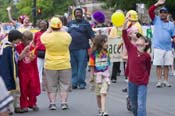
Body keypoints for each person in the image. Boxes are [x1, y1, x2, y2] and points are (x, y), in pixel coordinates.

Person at [41, 17, 72, 110]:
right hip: (65, 63)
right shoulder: (67, 36)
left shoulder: (46, 36)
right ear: (61, 26)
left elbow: (42, 37)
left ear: (51, 26)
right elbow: (67, 36)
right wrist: (61, 29)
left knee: (51, 84)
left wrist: (49, 30)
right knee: (64, 84)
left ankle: (52, 103)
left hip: (50, 64)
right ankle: (64, 103)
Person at [122, 19, 151, 116]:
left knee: (141, 104)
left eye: (141, 38)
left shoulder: (147, 56)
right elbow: (125, 37)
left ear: (146, 44)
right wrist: (124, 26)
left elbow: (148, 68)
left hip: (142, 82)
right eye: (138, 38)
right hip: (132, 82)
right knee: (134, 104)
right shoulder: (131, 49)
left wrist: (146, 79)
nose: (138, 39)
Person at [149, 0, 175, 87]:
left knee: (167, 65)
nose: (162, 14)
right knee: (159, 65)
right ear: (159, 14)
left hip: (168, 47)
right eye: (161, 12)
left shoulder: (171, 24)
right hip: (158, 47)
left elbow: (173, 36)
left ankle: (166, 81)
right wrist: (157, 4)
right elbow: (150, 11)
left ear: (167, 14)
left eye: (164, 12)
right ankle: (159, 81)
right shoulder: (156, 20)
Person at [67, 8, 94, 89]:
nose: (78, 14)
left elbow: (92, 36)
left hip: (82, 48)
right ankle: (74, 83)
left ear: (82, 14)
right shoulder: (70, 24)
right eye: (77, 13)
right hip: (71, 48)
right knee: (73, 66)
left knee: (82, 66)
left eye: (79, 13)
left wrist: (96, 46)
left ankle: (81, 82)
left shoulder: (86, 24)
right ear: (74, 14)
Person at [16, 31, 40, 113]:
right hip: (22, 71)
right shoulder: (18, 47)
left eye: (30, 40)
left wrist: (33, 56)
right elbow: (19, 59)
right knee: (23, 88)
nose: (29, 42)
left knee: (33, 87)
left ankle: (32, 103)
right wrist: (24, 50)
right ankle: (24, 105)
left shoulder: (32, 47)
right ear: (23, 39)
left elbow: (34, 59)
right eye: (27, 40)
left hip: (31, 70)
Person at [0, 30, 22, 114]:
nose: (19, 41)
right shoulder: (7, 48)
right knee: (10, 91)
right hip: (9, 73)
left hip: (13, 72)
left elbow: (16, 59)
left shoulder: (11, 47)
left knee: (16, 91)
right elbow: (7, 63)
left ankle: (16, 106)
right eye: (18, 39)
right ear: (14, 39)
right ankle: (9, 109)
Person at [89, 35, 110, 116]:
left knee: (103, 93)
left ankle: (103, 110)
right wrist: (91, 76)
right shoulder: (93, 53)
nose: (107, 43)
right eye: (105, 42)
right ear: (100, 43)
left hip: (105, 75)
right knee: (98, 94)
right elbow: (91, 65)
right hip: (97, 75)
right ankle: (100, 108)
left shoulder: (106, 51)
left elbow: (108, 63)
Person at [33, 20, 49, 90]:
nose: (42, 25)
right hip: (39, 53)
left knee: (47, 69)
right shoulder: (37, 33)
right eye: (41, 24)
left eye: (44, 24)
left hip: (48, 53)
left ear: (47, 25)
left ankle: (48, 84)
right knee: (38, 69)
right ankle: (39, 84)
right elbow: (34, 43)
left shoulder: (49, 33)